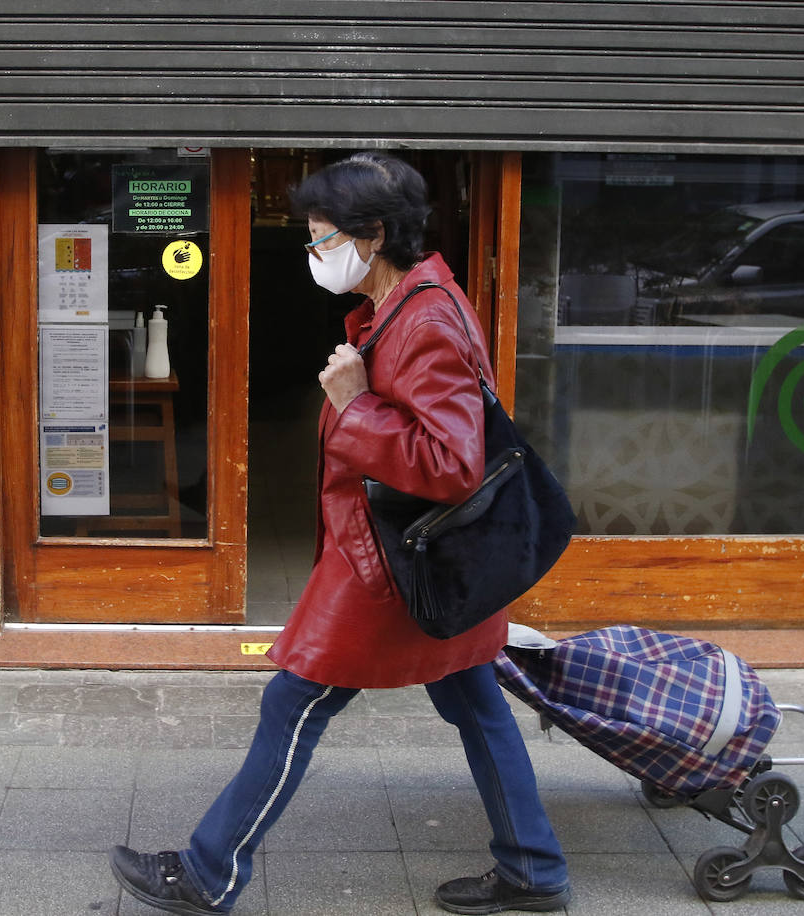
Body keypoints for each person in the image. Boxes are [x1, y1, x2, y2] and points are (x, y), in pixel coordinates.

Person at [110, 152, 571, 915]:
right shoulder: (408, 303)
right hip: (430, 560)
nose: (314, 253)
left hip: (392, 566)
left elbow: (450, 463)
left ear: (374, 234)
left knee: (293, 704)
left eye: (322, 236)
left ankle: (207, 873)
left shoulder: (423, 319)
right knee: (476, 705)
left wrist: (355, 404)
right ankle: (534, 869)